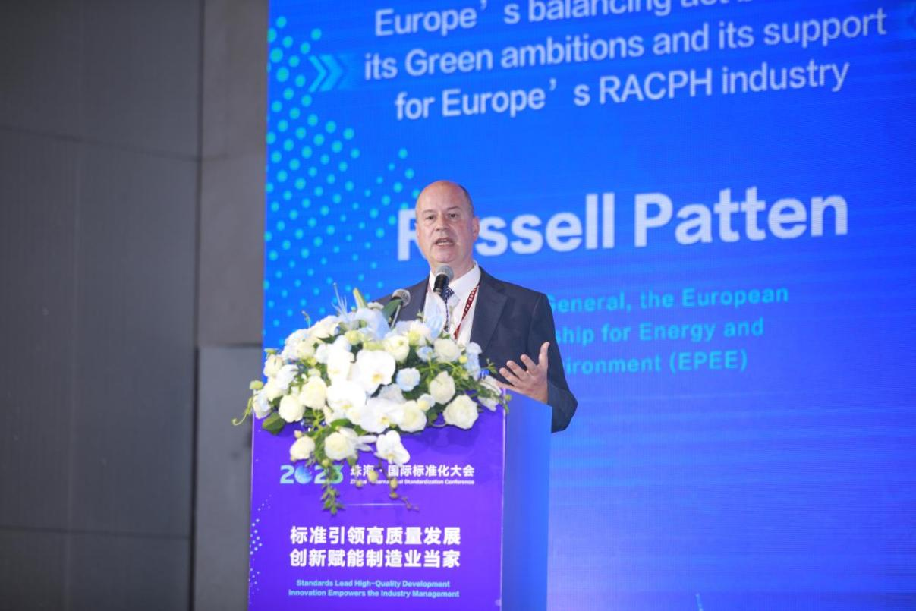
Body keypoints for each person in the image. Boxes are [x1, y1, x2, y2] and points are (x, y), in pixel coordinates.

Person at [391, 180, 577, 432]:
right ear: (417, 233)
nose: (441, 225)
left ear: (475, 228)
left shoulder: (525, 308)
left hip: (492, 455)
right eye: (430, 217)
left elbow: (563, 410)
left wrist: (541, 395)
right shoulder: (393, 310)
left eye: (453, 215)